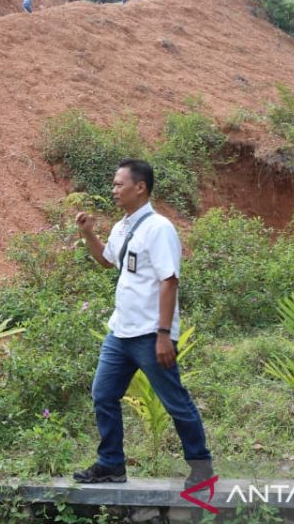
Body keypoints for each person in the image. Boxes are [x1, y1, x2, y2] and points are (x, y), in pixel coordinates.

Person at [72, 159, 213, 489]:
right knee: (103, 394)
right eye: (114, 184)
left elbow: (169, 280)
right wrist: (89, 234)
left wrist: (164, 334)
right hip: (120, 331)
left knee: (174, 401)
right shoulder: (122, 226)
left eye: (119, 184)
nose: (114, 190)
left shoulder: (159, 228)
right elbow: (108, 261)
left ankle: (201, 466)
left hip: (151, 334)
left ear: (141, 188)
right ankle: (111, 465)